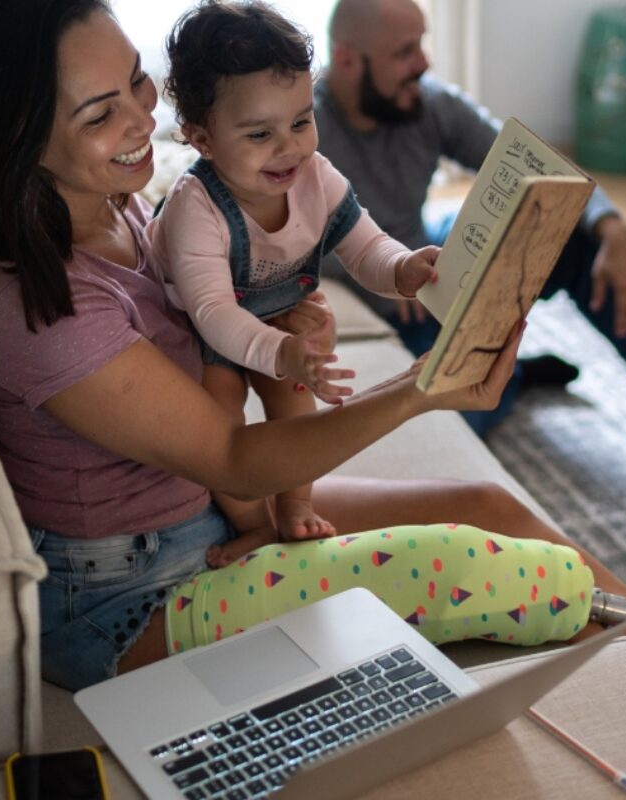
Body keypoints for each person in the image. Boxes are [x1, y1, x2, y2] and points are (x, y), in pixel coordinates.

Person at [0, 0, 626, 693]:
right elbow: (234, 458)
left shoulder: (118, 205)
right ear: (21, 135)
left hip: (204, 518)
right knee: (468, 565)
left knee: (486, 505)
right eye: (100, 113)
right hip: (128, 602)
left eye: (135, 80)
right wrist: (418, 389)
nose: (141, 117)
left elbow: (228, 336)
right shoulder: (35, 305)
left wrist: (286, 329)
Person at [315, 0, 626, 438]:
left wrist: (614, 229)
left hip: (431, 254)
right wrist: (385, 275)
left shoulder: (427, 103)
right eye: (404, 51)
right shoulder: (303, 131)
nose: (423, 63)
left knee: (582, 242)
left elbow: (543, 170)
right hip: (391, 294)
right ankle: (513, 376)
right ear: (348, 59)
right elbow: (280, 240)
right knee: (463, 417)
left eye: (421, 43)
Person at [150, 1, 439, 557]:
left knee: (295, 399)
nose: (290, 148)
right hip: (193, 331)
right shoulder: (196, 208)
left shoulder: (316, 177)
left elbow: (366, 246)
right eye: (260, 134)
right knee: (219, 418)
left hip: (273, 321)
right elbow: (212, 314)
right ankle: (249, 522)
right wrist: (284, 351)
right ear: (201, 138)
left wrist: (404, 271)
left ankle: (296, 506)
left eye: (301, 121)